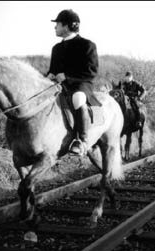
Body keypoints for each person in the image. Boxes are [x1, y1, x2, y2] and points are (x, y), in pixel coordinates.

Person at [47, 9, 99, 156]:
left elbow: (91, 72)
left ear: (67, 26)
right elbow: (53, 70)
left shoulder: (87, 45)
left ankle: (81, 140)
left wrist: (67, 77)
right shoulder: (56, 48)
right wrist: (50, 75)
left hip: (81, 84)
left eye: (57, 24)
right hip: (59, 85)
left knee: (78, 98)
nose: (55, 27)